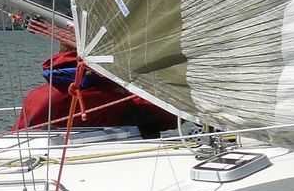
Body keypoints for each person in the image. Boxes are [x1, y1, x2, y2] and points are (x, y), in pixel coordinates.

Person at [14, 48, 178, 138]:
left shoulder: (35, 97)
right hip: (117, 168)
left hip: (52, 168)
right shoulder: (116, 95)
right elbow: (171, 117)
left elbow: (17, 136)